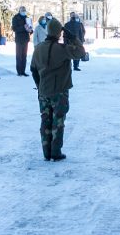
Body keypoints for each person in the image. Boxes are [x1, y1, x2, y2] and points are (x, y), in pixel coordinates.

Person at [30, 17, 86, 161]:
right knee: (58, 121)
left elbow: (33, 69)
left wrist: (39, 85)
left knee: (45, 121)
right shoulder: (62, 49)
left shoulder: (38, 49)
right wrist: (73, 37)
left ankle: (46, 152)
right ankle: (55, 152)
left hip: (43, 91)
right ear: (58, 33)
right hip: (59, 91)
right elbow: (80, 52)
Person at [11, 6, 32, 76]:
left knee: (24, 56)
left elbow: (29, 27)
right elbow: (14, 28)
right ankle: (19, 71)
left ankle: (23, 71)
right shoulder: (16, 18)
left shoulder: (27, 18)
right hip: (19, 39)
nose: (23, 11)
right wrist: (23, 27)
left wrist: (30, 30)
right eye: (22, 10)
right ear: (19, 11)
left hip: (26, 39)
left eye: (24, 10)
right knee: (19, 56)